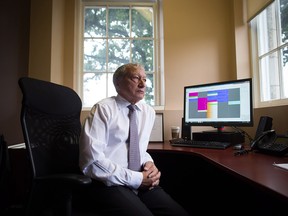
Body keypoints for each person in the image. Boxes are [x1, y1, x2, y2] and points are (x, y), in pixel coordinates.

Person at [79, 63, 190, 216]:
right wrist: (137, 179)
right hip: (108, 183)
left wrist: (149, 164)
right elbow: (92, 162)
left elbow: (138, 149)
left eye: (145, 78)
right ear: (118, 83)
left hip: (139, 181)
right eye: (135, 78)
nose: (143, 83)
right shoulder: (103, 109)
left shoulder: (148, 112)